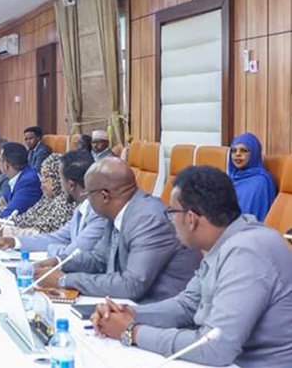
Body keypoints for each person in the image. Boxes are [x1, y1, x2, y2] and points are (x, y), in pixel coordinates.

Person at [91, 166, 292, 367]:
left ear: (191, 219)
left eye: (172, 212)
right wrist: (127, 314)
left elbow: (215, 348)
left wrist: (132, 332)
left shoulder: (247, 252)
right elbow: (187, 305)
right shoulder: (225, 242)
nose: (171, 220)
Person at [35, 158, 201, 303]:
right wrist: (59, 262)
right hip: (128, 304)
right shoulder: (117, 212)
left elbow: (132, 285)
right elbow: (98, 260)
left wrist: (65, 280)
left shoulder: (147, 219)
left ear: (104, 196)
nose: (87, 200)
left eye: (88, 194)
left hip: (158, 312)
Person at [0, 150, 107, 260]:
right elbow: (57, 237)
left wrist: (54, 250)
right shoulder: (80, 208)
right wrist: (13, 242)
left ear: (71, 185)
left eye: (60, 179)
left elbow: (72, 253)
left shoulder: (98, 213)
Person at [0, 153, 75, 236]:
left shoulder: (66, 204)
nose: (42, 181)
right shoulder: (46, 199)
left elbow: (42, 231)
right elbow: (25, 218)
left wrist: (2, 230)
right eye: (42, 176)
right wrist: (1, 223)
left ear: (58, 178)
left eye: (47, 176)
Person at [228, 133, 276, 222]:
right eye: (234, 151)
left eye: (243, 150)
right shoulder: (231, 177)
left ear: (254, 154)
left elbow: (253, 216)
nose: (237, 154)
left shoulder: (261, 182)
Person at [0, 142, 42, 218]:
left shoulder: (28, 181)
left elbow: (9, 214)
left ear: (6, 165)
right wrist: (0, 210)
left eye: (0, 160)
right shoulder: (17, 177)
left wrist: (5, 209)